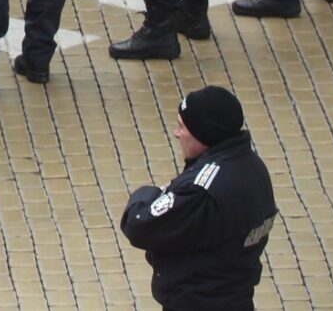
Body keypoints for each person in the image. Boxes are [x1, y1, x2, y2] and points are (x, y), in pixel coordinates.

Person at [119, 87, 278, 310]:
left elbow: (139, 223)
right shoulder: (253, 167)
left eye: (182, 127)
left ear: (204, 134)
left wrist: (148, 194)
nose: (176, 133)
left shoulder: (202, 190)